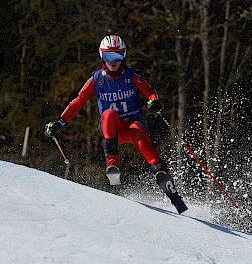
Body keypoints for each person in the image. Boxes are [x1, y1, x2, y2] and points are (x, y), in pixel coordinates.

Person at [45, 35, 187, 214]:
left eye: (117, 57)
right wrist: (60, 122)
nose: (113, 62)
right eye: (108, 57)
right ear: (102, 57)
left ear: (124, 57)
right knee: (109, 114)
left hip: (133, 123)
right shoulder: (96, 79)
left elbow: (150, 91)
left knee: (140, 140)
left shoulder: (131, 76)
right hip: (112, 130)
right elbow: (78, 101)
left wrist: (154, 101)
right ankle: (112, 163)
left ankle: (166, 183)